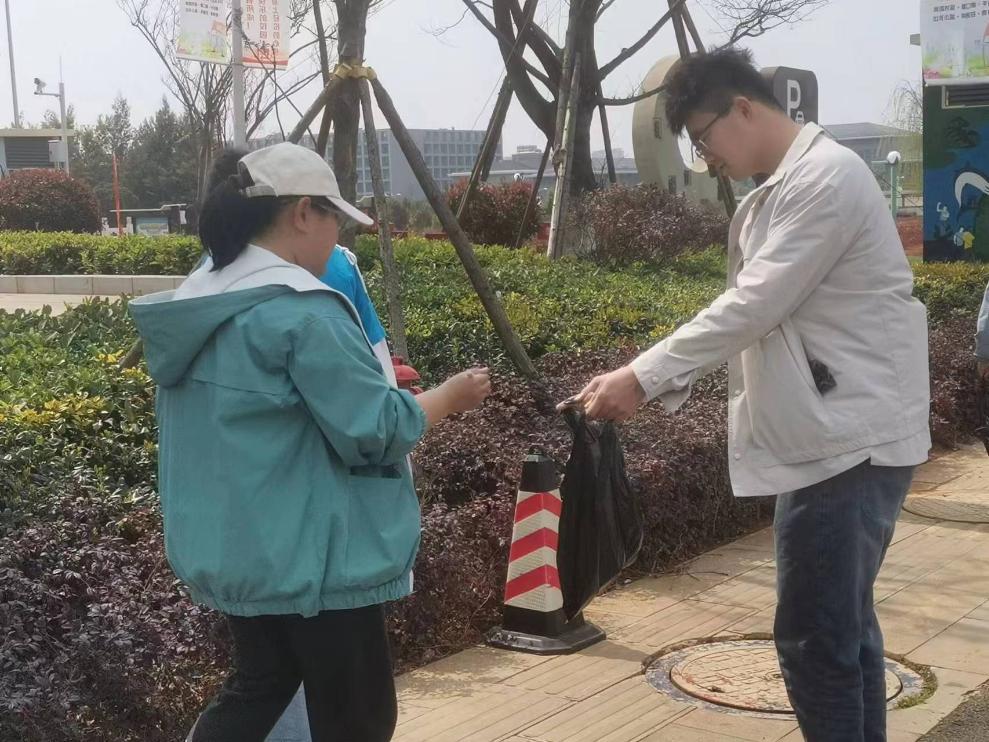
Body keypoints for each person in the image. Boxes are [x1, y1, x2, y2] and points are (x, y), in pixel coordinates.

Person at [565, 48, 930, 742]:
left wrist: (641, 376)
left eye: (704, 140)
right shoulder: (793, 182)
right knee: (843, 632)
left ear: (742, 108)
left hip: (846, 445)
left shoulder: (823, 179)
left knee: (814, 641)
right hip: (834, 437)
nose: (706, 160)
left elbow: (754, 305)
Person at [129, 142, 490, 742]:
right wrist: (449, 397)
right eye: (334, 220)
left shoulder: (199, 303)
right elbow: (376, 430)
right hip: (317, 561)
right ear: (302, 213)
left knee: (260, 686)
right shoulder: (304, 314)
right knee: (359, 717)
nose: (337, 239)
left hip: (245, 554)